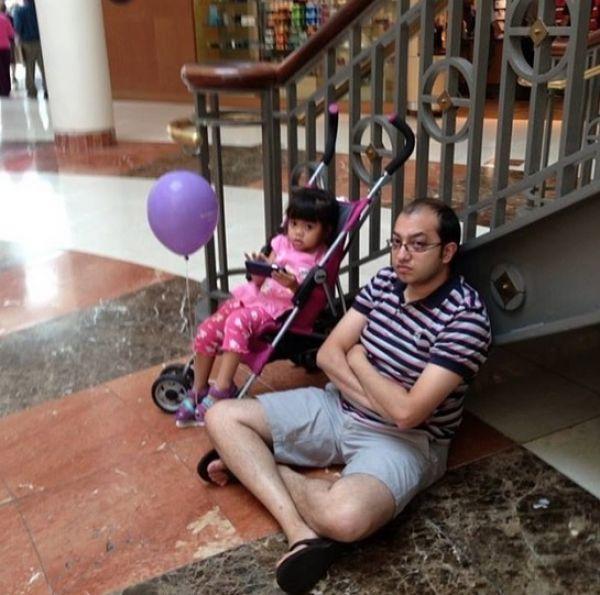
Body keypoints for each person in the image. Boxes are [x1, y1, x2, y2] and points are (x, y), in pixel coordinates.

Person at [200, 198, 491, 594]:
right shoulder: (386, 281)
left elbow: (408, 415)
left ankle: (255, 468)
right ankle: (297, 530)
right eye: (396, 242)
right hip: (337, 406)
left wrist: (358, 360)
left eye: (418, 244)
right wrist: (380, 397)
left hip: (405, 440)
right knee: (221, 417)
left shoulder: (465, 318)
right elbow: (327, 354)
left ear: (448, 251)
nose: (402, 255)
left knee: (345, 519)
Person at [175, 186, 339, 428]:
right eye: (294, 223)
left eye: (308, 227)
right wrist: (259, 269)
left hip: (279, 310)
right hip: (254, 297)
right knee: (208, 328)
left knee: (236, 322)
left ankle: (223, 388)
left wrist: (293, 285)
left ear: (326, 231)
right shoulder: (280, 243)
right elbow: (260, 282)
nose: (298, 232)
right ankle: (199, 389)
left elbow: (310, 299)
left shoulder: (319, 259)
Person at [13, 0, 46, 99]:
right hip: (40, 42)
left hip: (26, 43)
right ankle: (47, 89)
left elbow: (18, 27)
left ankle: (32, 91)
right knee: (44, 68)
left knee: (29, 68)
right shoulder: (39, 10)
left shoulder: (19, 11)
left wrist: (17, 40)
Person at [0, 0, 14, 96]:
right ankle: (7, 89)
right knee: (6, 68)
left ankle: (2, 89)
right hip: (6, 48)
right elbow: (11, 34)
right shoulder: (5, 19)